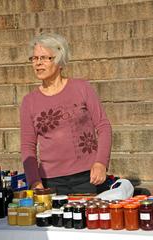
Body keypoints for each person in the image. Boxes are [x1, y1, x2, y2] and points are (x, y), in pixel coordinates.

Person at [20, 33, 112, 195]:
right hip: (50, 181)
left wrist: (101, 163)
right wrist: (34, 181)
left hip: (88, 176)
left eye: (44, 58)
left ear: (59, 60)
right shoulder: (29, 101)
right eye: (34, 58)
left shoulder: (82, 88)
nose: (38, 63)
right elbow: (28, 145)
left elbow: (103, 126)